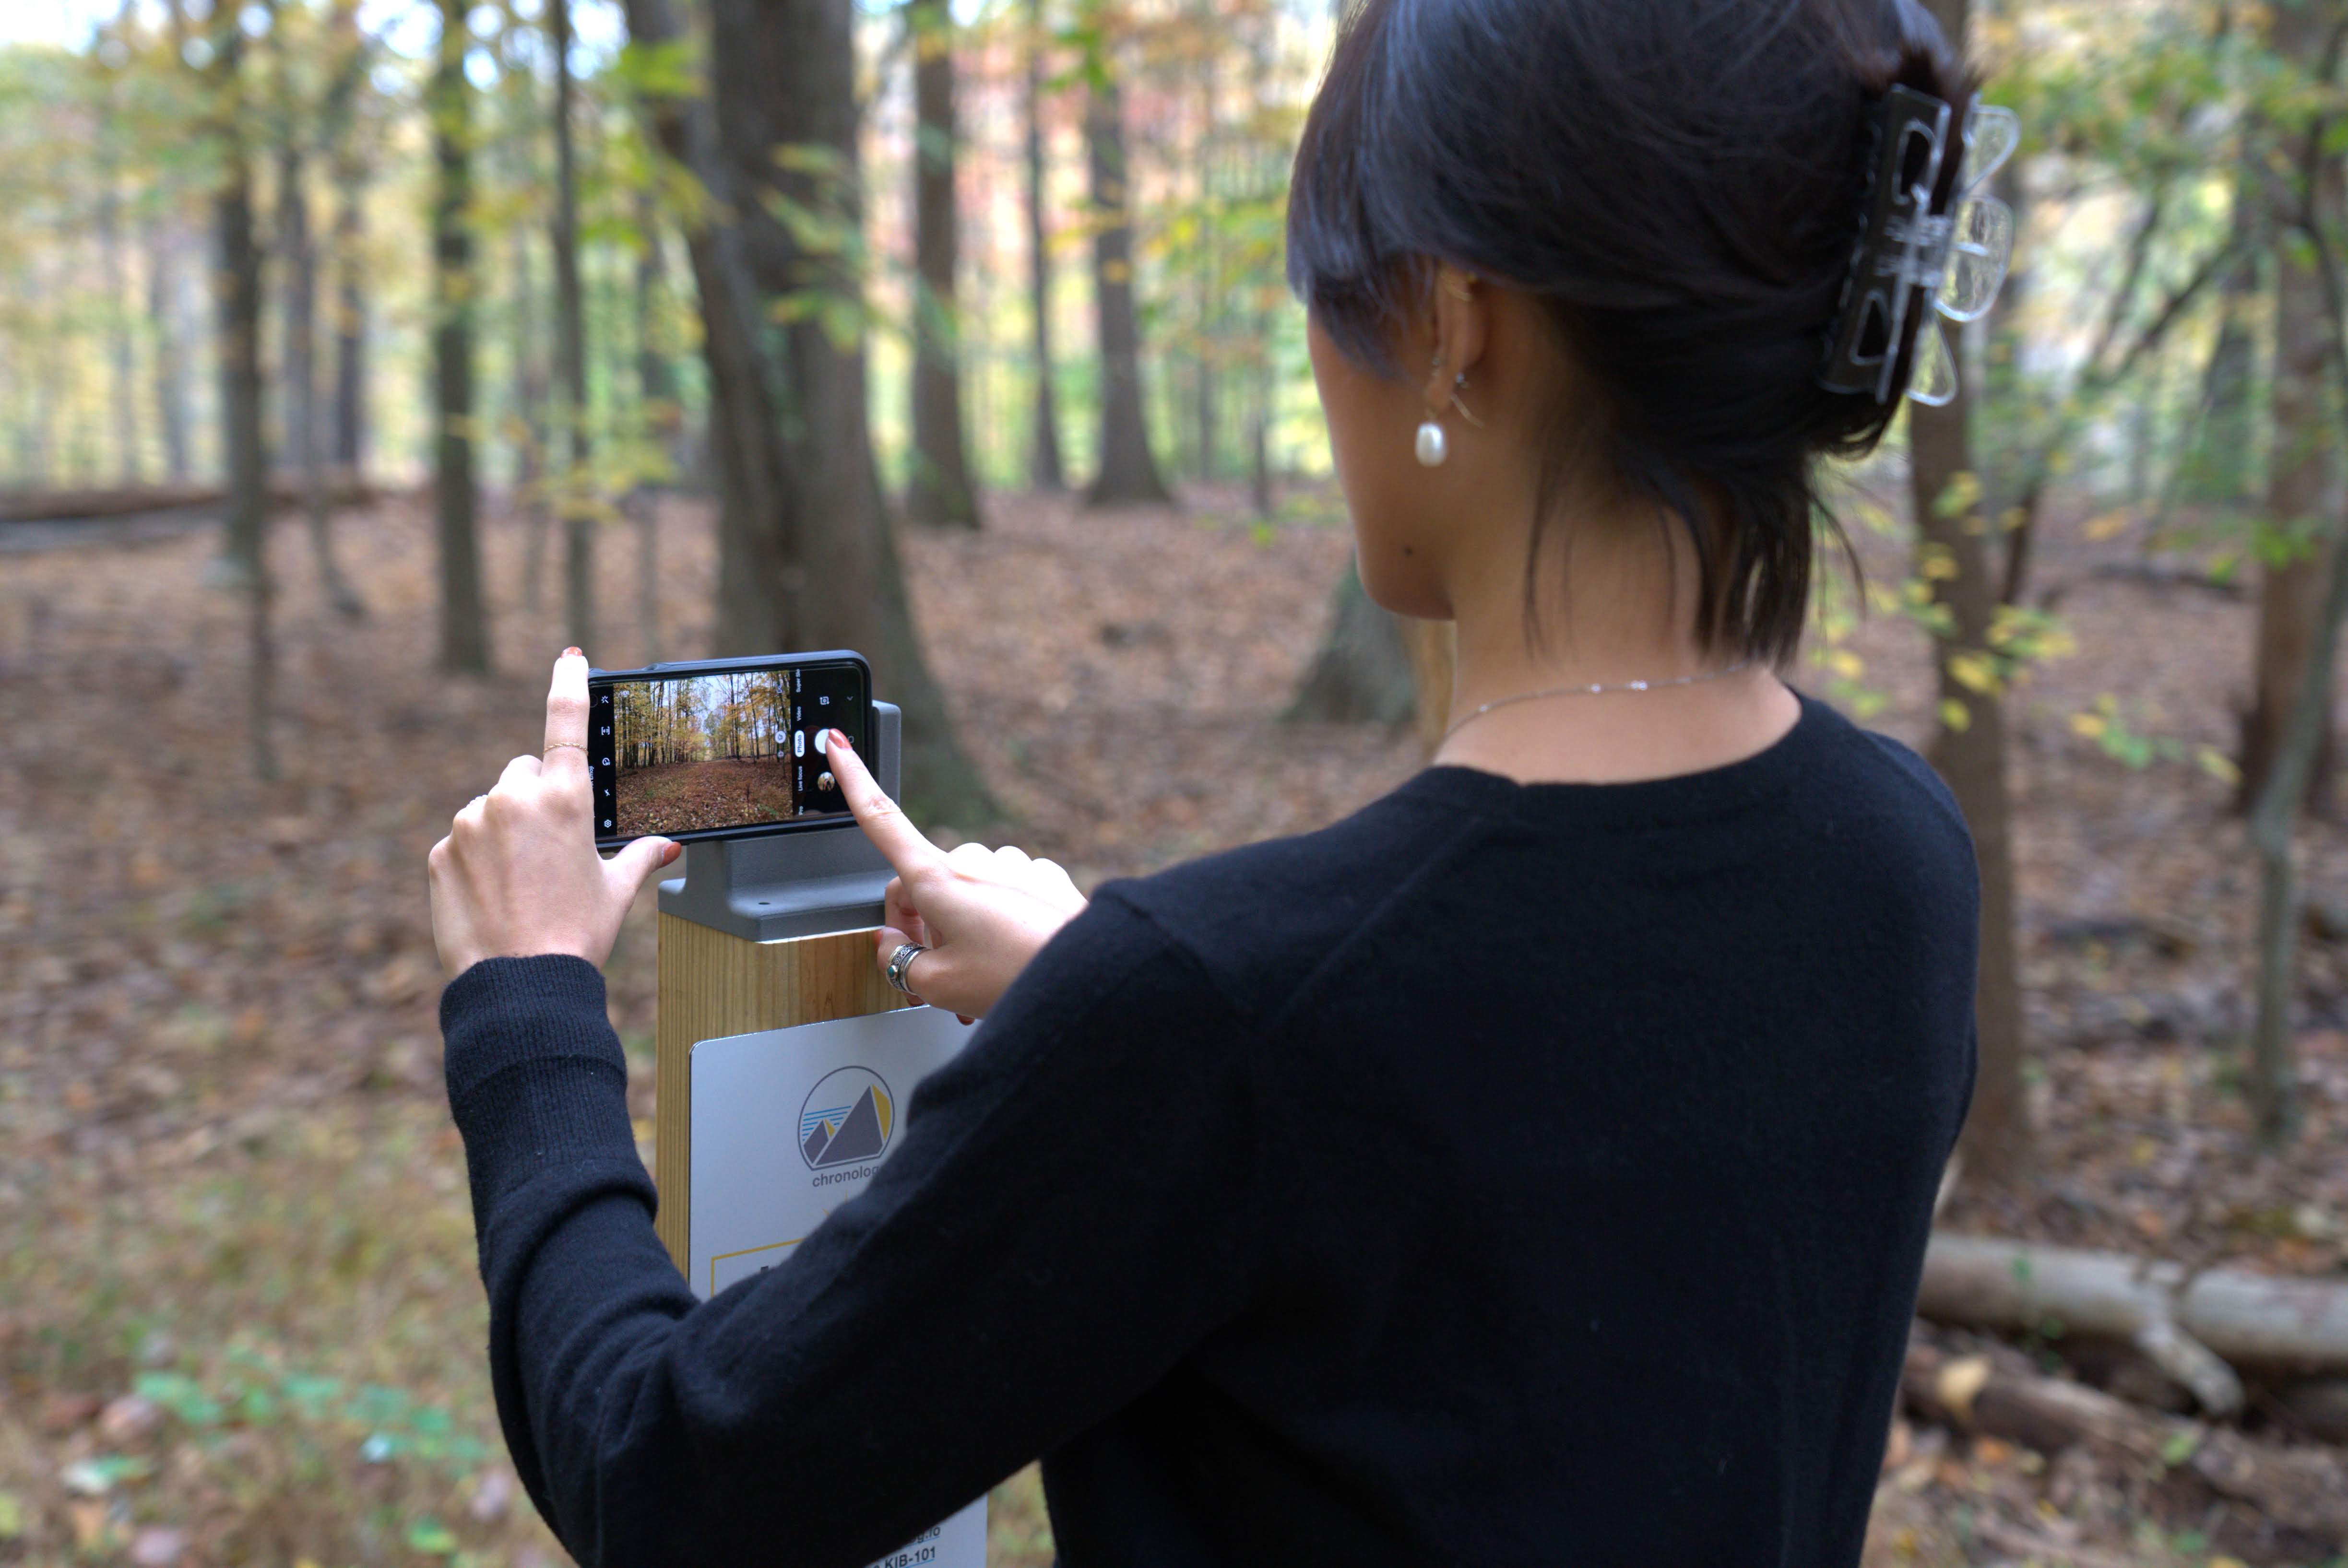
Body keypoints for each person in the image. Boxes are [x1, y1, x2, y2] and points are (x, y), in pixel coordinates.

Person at [426, 0, 1995, 1561]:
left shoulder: (1217, 1024)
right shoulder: (1901, 862)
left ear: (1457, 325)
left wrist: (529, 998)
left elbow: (665, 1476)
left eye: (1326, 287)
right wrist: (1101, 1023)